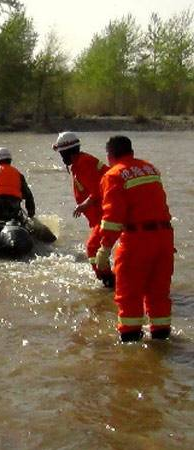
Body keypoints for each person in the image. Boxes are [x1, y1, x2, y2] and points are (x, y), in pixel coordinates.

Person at [95, 136, 174, 342]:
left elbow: (112, 218)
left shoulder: (113, 175)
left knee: (129, 294)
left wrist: (104, 248)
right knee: (159, 294)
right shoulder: (150, 169)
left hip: (137, 240)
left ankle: (130, 344)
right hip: (164, 239)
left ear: (110, 155)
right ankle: (161, 338)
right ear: (131, 151)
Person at [52, 131, 114, 287]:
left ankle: (108, 281)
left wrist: (85, 204)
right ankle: (108, 278)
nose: (61, 157)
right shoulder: (80, 162)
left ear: (68, 152)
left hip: (105, 213)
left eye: (61, 153)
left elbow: (99, 189)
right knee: (95, 248)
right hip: (99, 215)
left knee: (92, 248)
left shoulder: (83, 163)